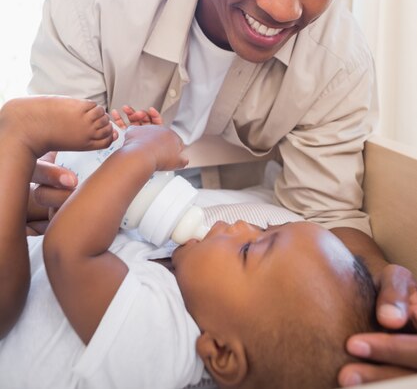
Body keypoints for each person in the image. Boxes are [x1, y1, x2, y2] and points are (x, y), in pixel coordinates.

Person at [28, 0, 417, 380]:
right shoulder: (96, 0)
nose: (285, 8)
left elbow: (327, 217)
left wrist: (377, 284)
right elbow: (52, 184)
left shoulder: (338, 61)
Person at [0, 95, 382, 389]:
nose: (241, 227)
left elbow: (68, 252)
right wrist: (119, 164)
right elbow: (78, 238)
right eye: (262, 229)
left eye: (250, 250)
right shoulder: (186, 279)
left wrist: (141, 155)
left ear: (221, 354)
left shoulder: (164, 350)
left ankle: (14, 134)